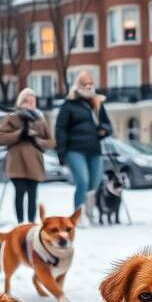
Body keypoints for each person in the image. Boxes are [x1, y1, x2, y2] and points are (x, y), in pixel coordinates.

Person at [55, 71, 112, 220]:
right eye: (84, 84)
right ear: (78, 86)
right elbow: (60, 129)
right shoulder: (69, 105)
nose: (88, 87)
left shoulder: (97, 104)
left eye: (90, 84)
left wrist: (104, 130)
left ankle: (89, 211)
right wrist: (61, 152)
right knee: (83, 181)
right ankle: (78, 216)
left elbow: (107, 125)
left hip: (94, 149)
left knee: (94, 183)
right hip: (74, 150)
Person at [0, 88, 54, 223]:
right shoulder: (12, 117)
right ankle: (20, 222)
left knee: (33, 194)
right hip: (17, 161)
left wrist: (37, 140)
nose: (30, 104)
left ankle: (31, 222)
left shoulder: (40, 119)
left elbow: (51, 142)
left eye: (32, 101)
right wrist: (20, 133)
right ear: (20, 102)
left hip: (34, 161)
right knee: (20, 192)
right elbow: (0, 137)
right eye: (26, 101)